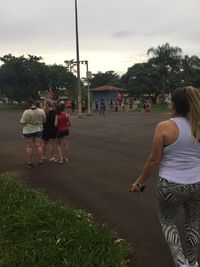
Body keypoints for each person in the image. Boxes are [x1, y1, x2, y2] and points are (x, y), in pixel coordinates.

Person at [131, 86, 200, 267]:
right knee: (193, 222)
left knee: (168, 221)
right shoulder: (198, 125)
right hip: (197, 183)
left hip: (170, 184)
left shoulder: (165, 127)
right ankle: (193, 263)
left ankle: (180, 263)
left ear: (174, 104)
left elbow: (153, 161)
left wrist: (139, 183)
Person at [20, 97, 46, 167]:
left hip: (28, 130)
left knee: (29, 146)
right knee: (38, 145)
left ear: (29, 104)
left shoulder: (26, 112)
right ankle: (40, 161)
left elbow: (22, 122)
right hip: (38, 129)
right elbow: (44, 121)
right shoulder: (41, 111)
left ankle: (29, 162)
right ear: (34, 103)